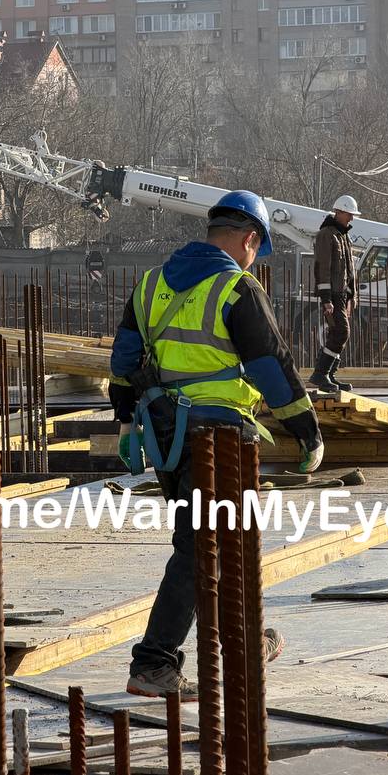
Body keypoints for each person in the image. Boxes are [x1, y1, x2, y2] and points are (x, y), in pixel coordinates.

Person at [108, 190, 325, 701]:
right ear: (250, 238)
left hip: (165, 434)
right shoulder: (235, 287)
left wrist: (123, 424)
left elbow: (122, 364)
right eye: (257, 249)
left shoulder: (151, 284)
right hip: (219, 437)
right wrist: (307, 431)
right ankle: (154, 663)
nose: (254, 258)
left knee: (220, 544)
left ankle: (244, 643)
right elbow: (272, 367)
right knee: (202, 546)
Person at [310, 195, 360, 393]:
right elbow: (323, 268)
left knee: (338, 333)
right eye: (349, 214)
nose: (351, 219)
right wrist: (326, 299)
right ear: (339, 212)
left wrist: (351, 297)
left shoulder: (343, 236)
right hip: (332, 295)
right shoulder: (326, 235)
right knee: (341, 332)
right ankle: (320, 373)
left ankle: (328, 374)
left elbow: (349, 270)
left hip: (341, 296)